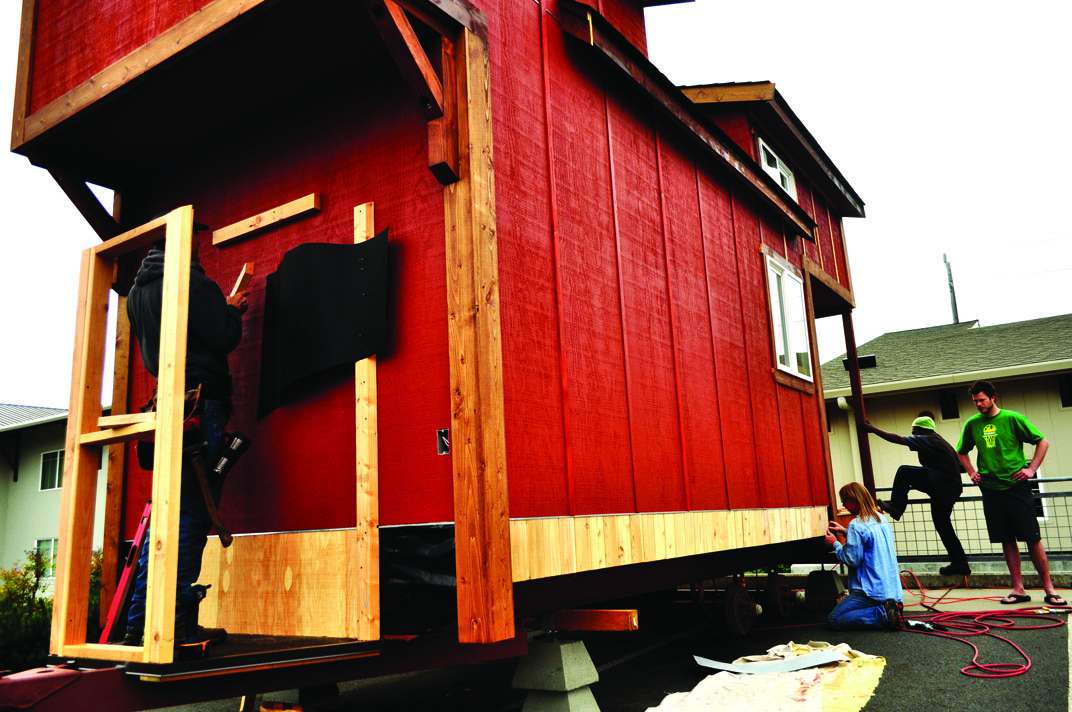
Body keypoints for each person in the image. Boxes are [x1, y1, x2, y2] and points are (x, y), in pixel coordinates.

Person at [123, 224, 250, 645]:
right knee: (193, 514)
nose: (199, 245)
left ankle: (141, 623)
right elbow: (223, 336)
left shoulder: (137, 293)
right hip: (201, 404)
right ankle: (174, 624)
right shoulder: (194, 281)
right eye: (197, 236)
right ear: (187, 238)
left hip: (168, 407)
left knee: (166, 517)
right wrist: (231, 309)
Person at [957, 380, 1065, 606]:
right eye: (975, 401)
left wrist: (1031, 469)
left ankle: (1049, 589)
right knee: (1006, 539)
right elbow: (962, 451)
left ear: (992, 398)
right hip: (991, 489)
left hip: (1017, 486)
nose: (978, 404)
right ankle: (1018, 589)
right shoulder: (972, 424)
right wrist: (971, 472)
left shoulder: (1013, 418)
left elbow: (1042, 441)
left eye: (982, 400)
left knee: (1032, 538)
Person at [864, 413, 970, 576]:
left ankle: (896, 507)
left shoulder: (927, 439)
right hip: (950, 489)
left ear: (921, 430)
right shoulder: (942, 443)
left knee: (904, 472)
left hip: (943, 484)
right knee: (942, 525)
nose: (913, 436)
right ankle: (960, 562)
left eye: (914, 432)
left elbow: (899, 439)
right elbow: (960, 467)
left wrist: (873, 430)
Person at [825, 482, 904, 630]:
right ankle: (890, 608)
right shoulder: (880, 518)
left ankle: (883, 614)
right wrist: (845, 531)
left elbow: (851, 559)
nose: (843, 505)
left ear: (854, 500)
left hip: (870, 592)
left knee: (834, 619)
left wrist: (835, 544)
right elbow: (868, 539)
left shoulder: (856, 525)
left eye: (844, 501)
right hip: (891, 591)